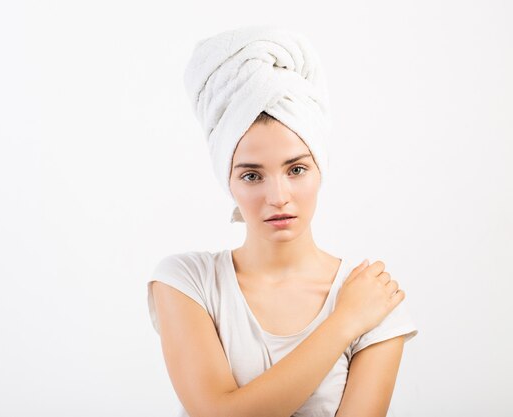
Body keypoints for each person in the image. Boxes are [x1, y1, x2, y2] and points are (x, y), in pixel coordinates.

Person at [146, 25, 418, 417]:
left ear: (320, 170)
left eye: (296, 169)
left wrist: (356, 313)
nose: (278, 197)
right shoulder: (187, 282)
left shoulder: (373, 298)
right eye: (252, 175)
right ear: (229, 182)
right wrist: (343, 323)